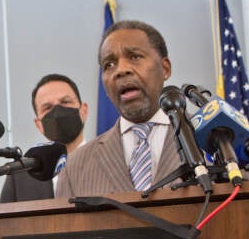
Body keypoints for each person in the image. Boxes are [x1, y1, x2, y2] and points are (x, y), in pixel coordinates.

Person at [56, 20, 180, 197]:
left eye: (135, 57)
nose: (121, 70)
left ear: (165, 68)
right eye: (109, 65)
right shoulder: (75, 166)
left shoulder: (211, 140)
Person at [0, 73, 88, 203]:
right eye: (47, 108)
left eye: (65, 102)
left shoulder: (107, 160)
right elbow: (4, 222)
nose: (57, 112)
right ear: (39, 124)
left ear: (84, 111)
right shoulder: (20, 175)